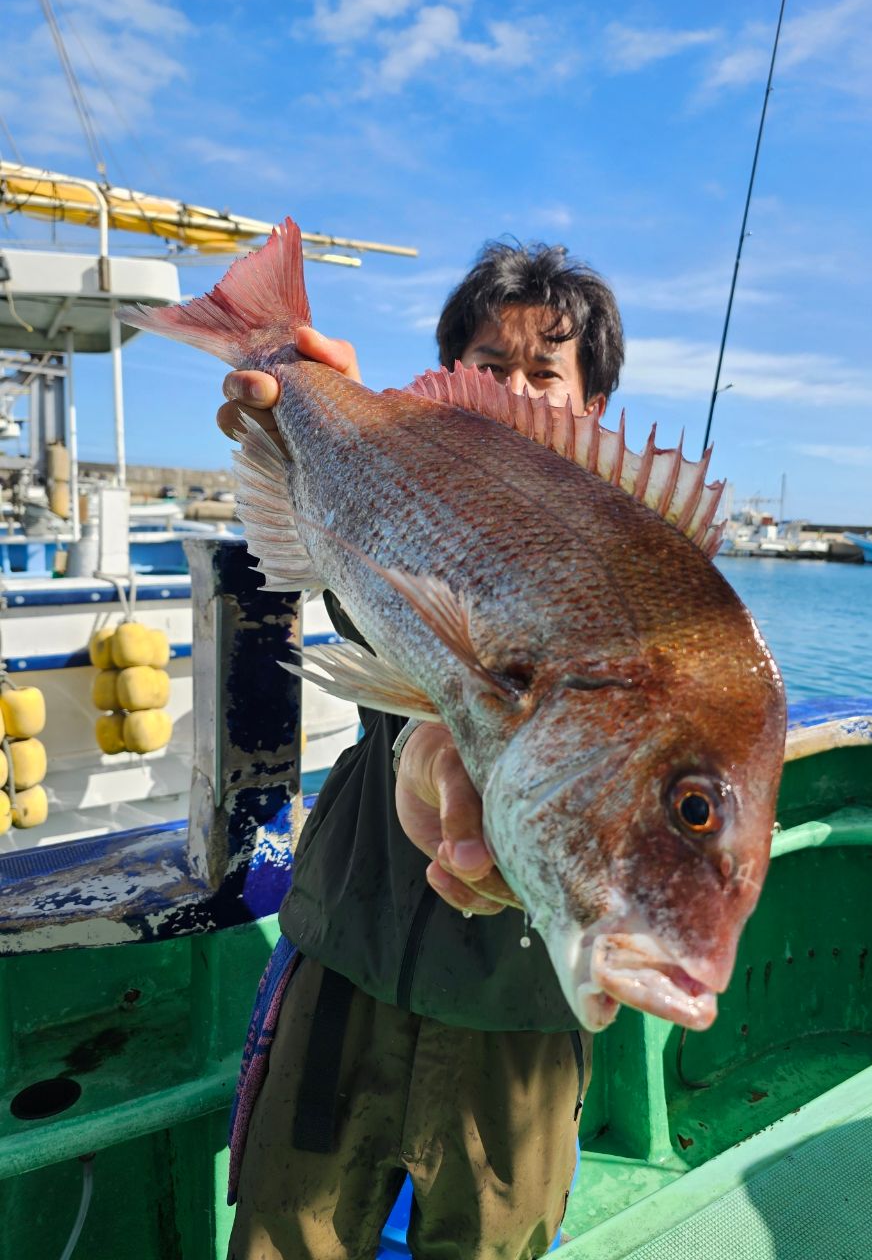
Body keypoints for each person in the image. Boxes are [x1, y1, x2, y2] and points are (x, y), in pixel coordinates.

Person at [218, 241, 625, 1260]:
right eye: (489, 365)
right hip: (348, 947)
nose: (513, 391)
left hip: (518, 1006)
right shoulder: (412, 491)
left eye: (544, 374)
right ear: (447, 381)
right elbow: (358, 616)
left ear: (592, 409)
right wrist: (321, 418)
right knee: (283, 1232)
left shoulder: (623, 563)